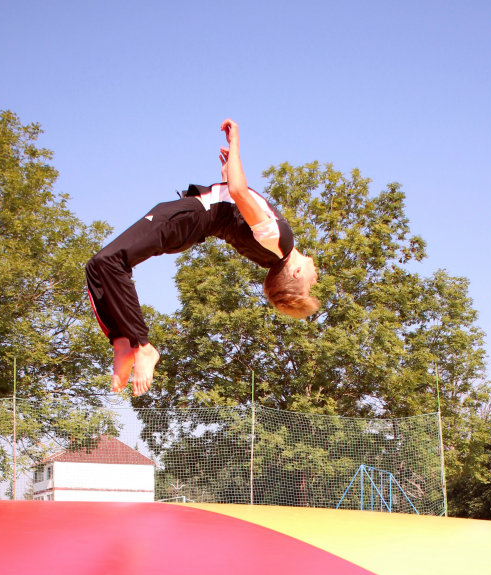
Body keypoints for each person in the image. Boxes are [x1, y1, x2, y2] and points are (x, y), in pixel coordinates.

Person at [85, 119, 319, 396]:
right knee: (97, 265)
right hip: (191, 223)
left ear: (296, 273)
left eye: (310, 284)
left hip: (189, 217)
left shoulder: (280, 241)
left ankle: (143, 347)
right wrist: (228, 171)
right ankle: (122, 342)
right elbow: (235, 208)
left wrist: (236, 144)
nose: (316, 278)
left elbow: (238, 193)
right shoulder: (268, 256)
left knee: (109, 262)